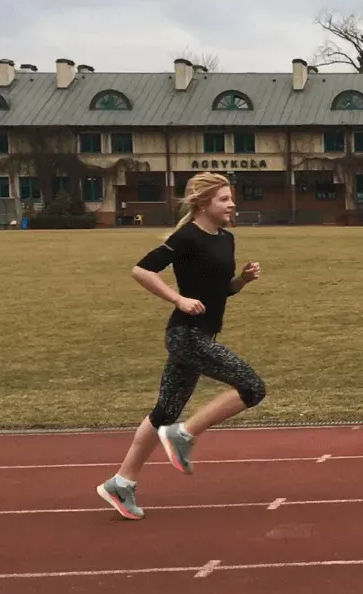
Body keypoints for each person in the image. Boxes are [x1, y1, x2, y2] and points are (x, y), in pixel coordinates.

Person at [96, 172, 266, 520]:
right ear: (203, 203)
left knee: (163, 412)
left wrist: (242, 281)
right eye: (224, 199)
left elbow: (222, 290)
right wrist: (178, 299)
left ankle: (121, 483)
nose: (232, 204)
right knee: (251, 387)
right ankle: (184, 435)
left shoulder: (226, 239)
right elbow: (141, 270)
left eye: (231, 198)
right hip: (186, 335)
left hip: (202, 335)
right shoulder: (186, 237)